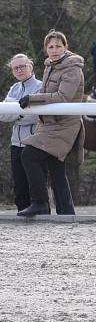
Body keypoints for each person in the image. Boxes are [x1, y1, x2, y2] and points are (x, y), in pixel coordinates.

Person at [17, 30, 85, 216]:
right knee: (55, 167)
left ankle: (40, 203)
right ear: (46, 48)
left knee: (29, 154)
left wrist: (32, 98)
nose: (54, 50)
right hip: (50, 124)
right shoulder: (50, 65)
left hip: (64, 125)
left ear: (66, 47)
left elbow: (63, 96)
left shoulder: (72, 67)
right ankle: (66, 213)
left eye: (58, 46)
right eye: (51, 47)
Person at [0, 54, 43, 211]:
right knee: (19, 183)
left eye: (22, 66)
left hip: (33, 141)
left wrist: (15, 114)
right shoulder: (14, 88)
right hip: (15, 142)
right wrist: (20, 112)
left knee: (35, 182)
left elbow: (37, 116)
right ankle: (21, 214)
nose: (19, 70)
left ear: (30, 66)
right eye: (15, 68)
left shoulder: (40, 86)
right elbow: (3, 114)